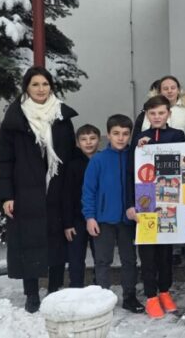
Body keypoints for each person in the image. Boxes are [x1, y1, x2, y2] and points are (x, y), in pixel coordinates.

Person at [0, 67, 78, 313]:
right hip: (25, 191)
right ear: (27, 88)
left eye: (45, 84)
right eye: (35, 84)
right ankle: (31, 293)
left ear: (51, 86)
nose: (41, 89)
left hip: (56, 188)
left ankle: (54, 290)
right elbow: (5, 161)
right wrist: (7, 195)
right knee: (28, 242)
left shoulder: (61, 116)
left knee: (56, 242)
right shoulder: (15, 119)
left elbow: (70, 156)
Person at [81, 114, 144, 313]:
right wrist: (90, 217)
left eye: (125, 134)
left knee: (129, 260)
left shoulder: (134, 157)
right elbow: (88, 190)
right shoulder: (98, 160)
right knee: (103, 260)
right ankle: (103, 298)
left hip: (128, 219)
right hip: (103, 219)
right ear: (108, 135)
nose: (121, 138)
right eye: (116, 133)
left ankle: (130, 296)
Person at [132, 96, 185, 318]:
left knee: (165, 252)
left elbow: (179, 159)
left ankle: (164, 291)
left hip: (169, 199)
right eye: (152, 113)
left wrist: (152, 147)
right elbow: (132, 170)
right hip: (145, 200)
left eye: (161, 113)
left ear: (168, 114)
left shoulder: (177, 135)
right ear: (147, 115)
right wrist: (140, 148)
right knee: (147, 252)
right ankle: (151, 296)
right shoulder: (139, 137)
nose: (157, 117)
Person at [62, 124, 100, 289]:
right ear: (77, 143)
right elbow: (67, 196)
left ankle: (99, 287)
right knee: (76, 257)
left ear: (99, 140)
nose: (88, 142)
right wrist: (68, 223)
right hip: (77, 219)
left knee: (100, 256)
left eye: (92, 138)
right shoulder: (73, 165)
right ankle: (76, 288)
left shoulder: (103, 160)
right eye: (84, 139)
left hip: (99, 217)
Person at [134, 75, 185, 142]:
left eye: (173, 88)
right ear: (160, 92)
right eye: (165, 89)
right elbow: (138, 136)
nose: (169, 91)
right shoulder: (147, 111)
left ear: (178, 90)